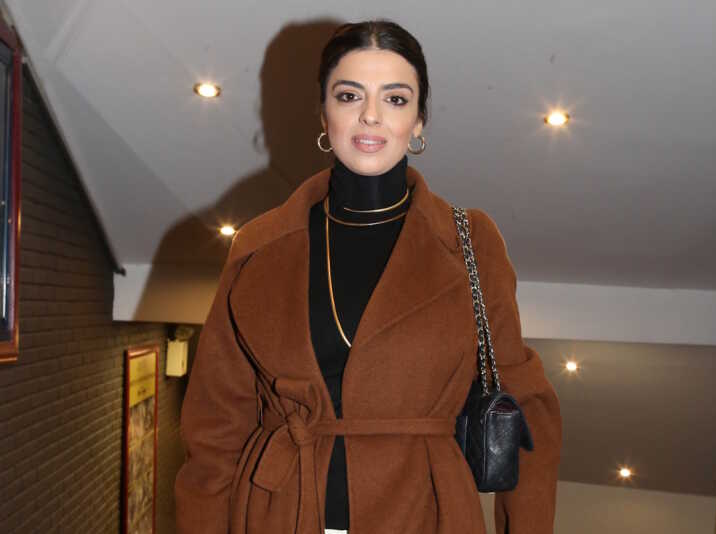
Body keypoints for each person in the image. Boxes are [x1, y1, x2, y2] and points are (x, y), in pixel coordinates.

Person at [175, 19, 561, 534]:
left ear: (419, 122)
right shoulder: (257, 248)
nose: (371, 115)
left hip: (426, 513)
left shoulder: (469, 242)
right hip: (279, 512)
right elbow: (214, 433)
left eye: (396, 99)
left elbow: (528, 410)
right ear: (324, 113)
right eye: (349, 95)